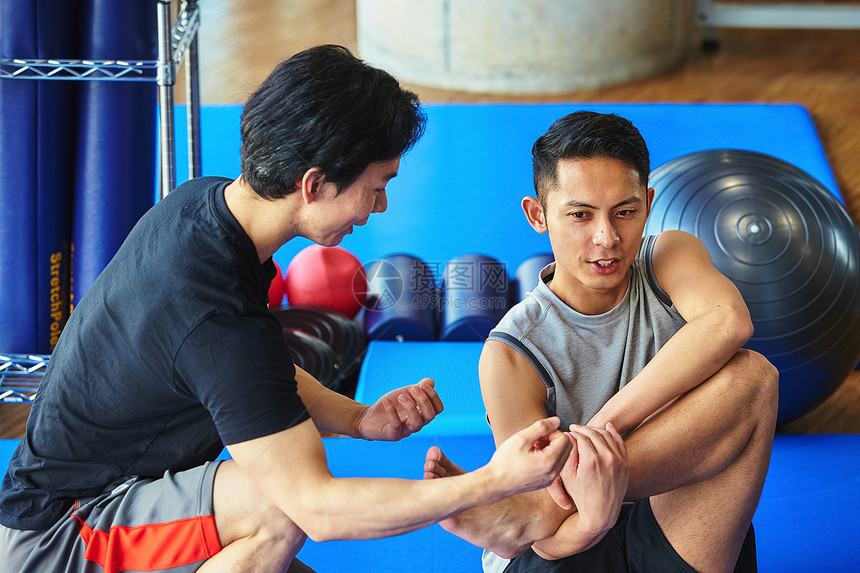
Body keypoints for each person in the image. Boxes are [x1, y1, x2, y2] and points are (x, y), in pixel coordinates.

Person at [0, 45, 573, 572]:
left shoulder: (206, 205)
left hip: (124, 497)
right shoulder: (213, 314)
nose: (381, 204)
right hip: (61, 537)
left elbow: (254, 373)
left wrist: (359, 420)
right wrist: (492, 483)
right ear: (315, 184)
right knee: (277, 511)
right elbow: (319, 511)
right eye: (376, 185)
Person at [424, 111, 779, 572]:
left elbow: (728, 322)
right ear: (538, 215)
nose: (606, 238)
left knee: (753, 377)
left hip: (662, 513)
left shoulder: (668, 257)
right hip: (562, 545)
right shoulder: (511, 353)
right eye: (579, 215)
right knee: (540, 516)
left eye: (625, 212)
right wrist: (586, 515)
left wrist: (595, 439)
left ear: (648, 205)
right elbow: (548, 542)